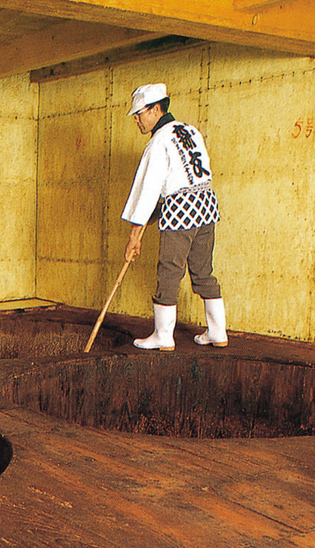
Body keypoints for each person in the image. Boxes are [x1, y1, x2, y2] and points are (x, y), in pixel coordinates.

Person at [122, 83, 227, 351]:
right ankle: (218, 332)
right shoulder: (191, 131)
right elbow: (182, 184)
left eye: (140, 114)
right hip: (206, 207)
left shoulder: (158, 142)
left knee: (169, 271)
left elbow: (147, 193)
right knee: (203, 272)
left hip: (181, 212)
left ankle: (163, 336)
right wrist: (149, 220)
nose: (137, 120)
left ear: (156, 109)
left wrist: (134, 237)